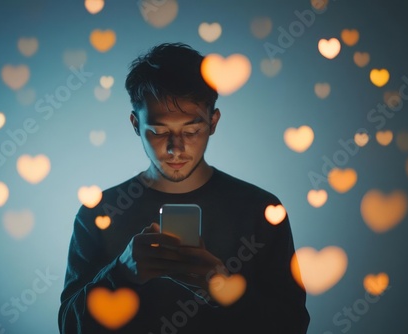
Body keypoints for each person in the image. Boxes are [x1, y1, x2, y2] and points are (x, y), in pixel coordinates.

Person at [58, 42, 310, 333]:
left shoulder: (260, 210)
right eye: (159, 131)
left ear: (213, 122)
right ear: (135, 124)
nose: (176, 149)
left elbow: (293, 326)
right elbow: (68, 327)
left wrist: (221, 288)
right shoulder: (99, 213)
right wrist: (121, 273)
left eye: (191, 130)